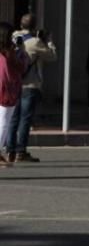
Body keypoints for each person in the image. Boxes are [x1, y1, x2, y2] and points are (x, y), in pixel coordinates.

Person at [5, 14, 57, 162]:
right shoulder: (35, 42)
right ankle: (21, 151)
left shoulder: (12, 37)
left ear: (20, 24)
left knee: (13, 118)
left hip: (13, 83)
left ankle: (10, 150)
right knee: (25, 119)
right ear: (34, 26)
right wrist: (49, 41)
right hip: (29, 85)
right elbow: (52, 56)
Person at [0, 22, 29, 168]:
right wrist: (22, 52)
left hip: (3, 88)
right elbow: (21, 67)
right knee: (4, 123)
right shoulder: (9, 51)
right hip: (6, 89)